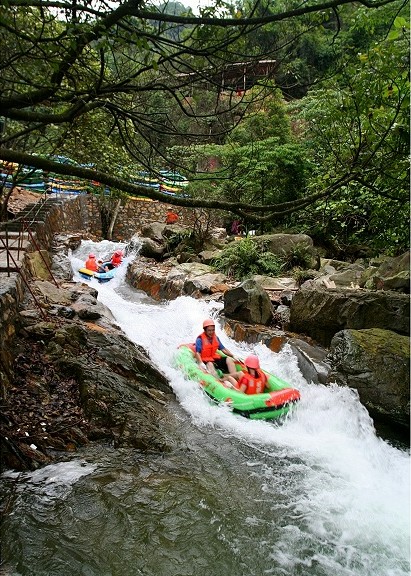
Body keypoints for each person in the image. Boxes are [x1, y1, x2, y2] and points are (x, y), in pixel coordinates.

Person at [195, 319, 240, 386]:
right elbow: (197, 353)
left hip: (214, 358)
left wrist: (233, 355)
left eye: (213, 330)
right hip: (206, 360)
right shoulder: (200, 339)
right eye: (209, 330)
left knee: (229, 359)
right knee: (210, 364)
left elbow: (223, 349)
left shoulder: (216, 338)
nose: (211, 332)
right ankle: (220, 382)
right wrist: (201, 363)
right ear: (205, 330)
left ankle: (233, 378)